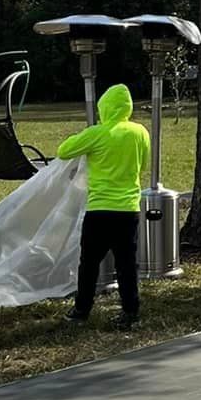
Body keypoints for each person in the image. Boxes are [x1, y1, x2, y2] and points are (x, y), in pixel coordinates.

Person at [57, 83, 150, 328]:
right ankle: (131, 312)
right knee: (127, 264)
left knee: (88, 263)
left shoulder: (97, 133)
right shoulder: (140, 132)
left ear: (104, 107)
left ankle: (81, 310)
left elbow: (64, 151)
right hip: (129, 209)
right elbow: (143, 165)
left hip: (99, 210)